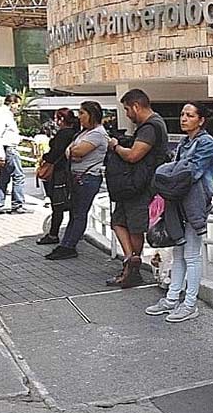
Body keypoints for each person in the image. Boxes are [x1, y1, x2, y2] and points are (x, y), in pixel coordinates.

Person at [145, 102, 213, 323]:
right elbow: (177, 171)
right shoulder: (185, 142)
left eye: (189, 115)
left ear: (201, 120)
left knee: (192, 256)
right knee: (178, 253)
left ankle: (189, 304)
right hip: (178, 200)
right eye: (182, 114)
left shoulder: (206, 143)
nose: (183, 118)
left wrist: (167, 174)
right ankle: (172, 298)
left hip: (195, 202)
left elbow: (188, 173)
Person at [106, 89, 169, 288]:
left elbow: (134, 155)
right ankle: (130, 260)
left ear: (136, 106)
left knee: (134, 227)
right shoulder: (152, 125)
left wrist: (116, 146)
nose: (127, 114)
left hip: (141, 186)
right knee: (118, 222)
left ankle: (132, 265)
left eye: (127, 109)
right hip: (135, 186)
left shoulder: (150, 127)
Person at [45, 101, 109, 260]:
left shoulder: (97, 133)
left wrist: (72, 151)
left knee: (79, 213)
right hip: (77, 177)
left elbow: (77, 151)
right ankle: (66, 244)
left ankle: (69, 246)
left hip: (86, 178)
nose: (79, 117)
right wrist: (71, 151)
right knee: (74, 213)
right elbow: (70, 150)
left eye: (82, 113)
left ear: (92, 115)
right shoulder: (84, 133)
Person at [37, 108, 80, 245]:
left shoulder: (63, 134)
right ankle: (69, 234)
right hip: (68, 171)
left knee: (58, 205)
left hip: (60, 173)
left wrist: (45, 158)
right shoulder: (75, 133)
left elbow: (55, 153)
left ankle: (53, 234)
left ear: (61, 119)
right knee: (67, 204)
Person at [0, 94, 30, 214]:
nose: (18, 108)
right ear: (12, 103)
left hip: (6, 148)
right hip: (8, 149)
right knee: (18, 176)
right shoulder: (3, 115)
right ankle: (17, 204)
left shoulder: (4, 114)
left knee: (3, 178)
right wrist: (1, 155)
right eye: (17, 105)